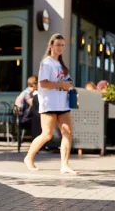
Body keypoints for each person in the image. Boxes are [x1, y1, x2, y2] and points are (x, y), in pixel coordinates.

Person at [24, 33, 77, 175]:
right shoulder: (46, 63)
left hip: (63, 103)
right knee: (47, 134)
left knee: (68, 132)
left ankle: (65, 165)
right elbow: (43, 83)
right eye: (58, 44)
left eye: (63, 45)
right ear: (51, 45)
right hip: (49, 103)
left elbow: (65, 83)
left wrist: (70, 90)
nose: (60, 48)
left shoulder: (61, 64)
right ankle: (29, 157)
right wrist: (62, 84)